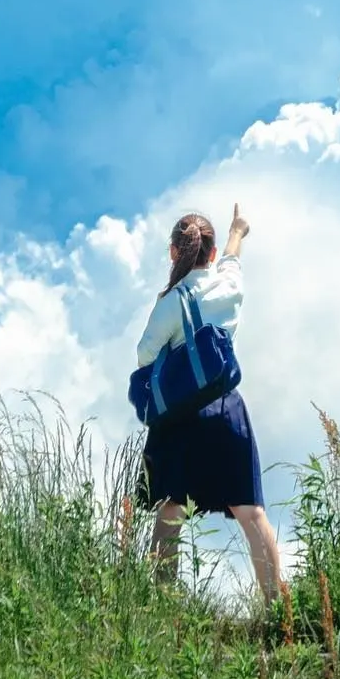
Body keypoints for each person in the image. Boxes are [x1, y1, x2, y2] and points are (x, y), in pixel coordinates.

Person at [134, 203, 282, 600]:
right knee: (251, 512)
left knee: (170, 512)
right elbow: (233, 260)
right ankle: (278, 609)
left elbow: (145, 356)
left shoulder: (171, 303)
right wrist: (238, 229)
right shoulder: (229, 285)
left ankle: (163, 609)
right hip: (225, 409)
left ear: (173, 253)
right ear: (211, 253)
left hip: (179, 416)